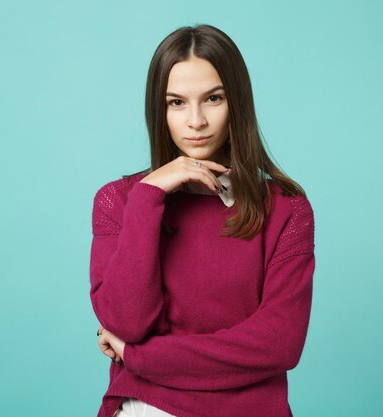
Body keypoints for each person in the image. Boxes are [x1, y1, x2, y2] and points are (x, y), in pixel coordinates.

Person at [89, 23, 315, 417]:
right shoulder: (121, 200)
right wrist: (149, 195)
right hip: (147, 408)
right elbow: (126, 322)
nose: (196, 121)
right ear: (158, 110)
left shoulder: (285, 209)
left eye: (212, 98)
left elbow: (280, 342)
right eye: (176, 102)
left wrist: (140, 357)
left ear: (237, 103)